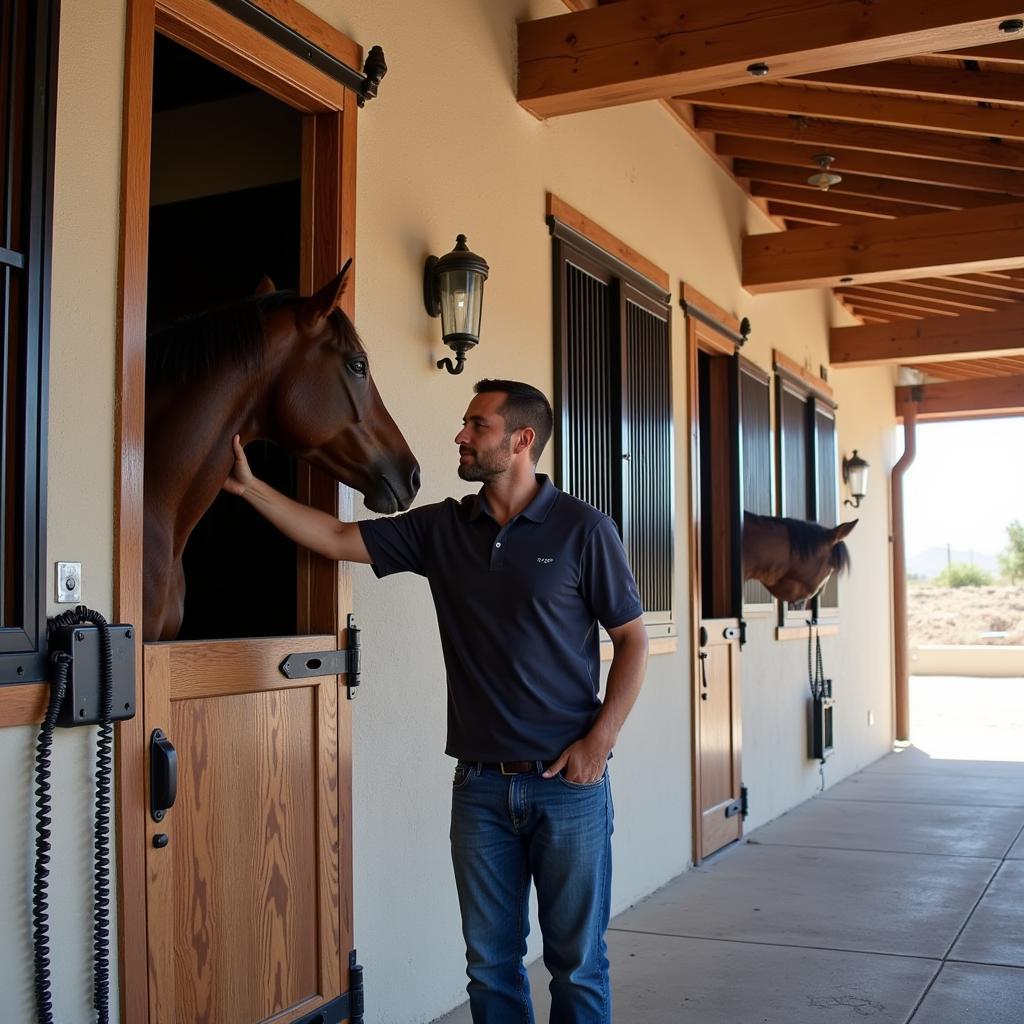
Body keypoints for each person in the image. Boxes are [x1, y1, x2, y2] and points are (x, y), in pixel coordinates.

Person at [224, 378, 649, 1024]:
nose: (461, 435)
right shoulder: (444, 529)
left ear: (522, 440)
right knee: (489, 966)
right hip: (479, 789)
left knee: (578, 963)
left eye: (477, 425)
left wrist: (600, 742)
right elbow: (340, 538)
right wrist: (252, 489)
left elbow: (633, 641)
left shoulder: (583, 530)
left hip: (569, 788)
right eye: (465, 423)